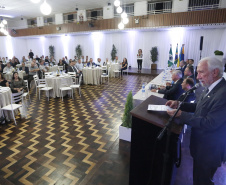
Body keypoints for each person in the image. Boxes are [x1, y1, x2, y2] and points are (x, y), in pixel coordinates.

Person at [166, 57, 226, 185]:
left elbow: (210, 122)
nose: (197, 77)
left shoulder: (223, 93)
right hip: (201, 148)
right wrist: (179, 104)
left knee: (202, 181)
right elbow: (198, 107)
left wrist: (182, 115)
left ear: (215, 72)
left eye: (201, 72)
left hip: (209, 152)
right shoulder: (211, 87)